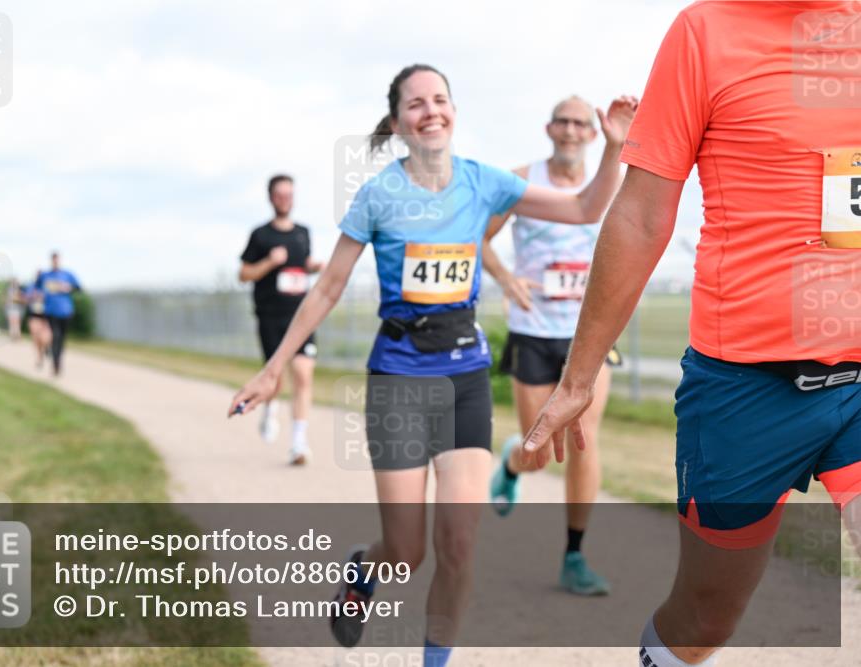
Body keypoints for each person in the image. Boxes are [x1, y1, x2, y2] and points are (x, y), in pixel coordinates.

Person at [229, 63, 636, 666]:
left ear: (453, 111)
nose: (431, 111)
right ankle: (364, 571)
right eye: (416, 104)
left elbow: (583, 207)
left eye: (440, 99)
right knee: (405, 554)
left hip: (463, 377)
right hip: (396, 380)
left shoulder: (483, 182)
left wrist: (614, 149)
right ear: (397, 122)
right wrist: (273, 369)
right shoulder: (377, 195)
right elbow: (327, 287)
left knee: (459, 544)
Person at [519, 4, 861, 666]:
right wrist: (580, 376)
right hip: (745, 389)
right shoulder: (706, 32)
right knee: (705, 618)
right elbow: (643, 216)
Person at [485, 95, 620, 596]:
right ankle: (510, 462)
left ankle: (574, 556)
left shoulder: (607, 184)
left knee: (583, 433)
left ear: (593, 133)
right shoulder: (522, 180)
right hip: (532, 330)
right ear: (549, 128)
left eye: (579, 123)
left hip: (588, 333)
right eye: (561, 121)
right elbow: (480, 238)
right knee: (537, 451)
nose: (569, 130)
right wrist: (504, 277)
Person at [239, 175, 325, 465]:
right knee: (275, 376)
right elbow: (244, 274)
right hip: (270, 316)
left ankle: (299, 444)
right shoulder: (261, 235)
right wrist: (269, 262)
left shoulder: (303, 233)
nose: (285, 199)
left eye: (290, 194)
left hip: (300, 316)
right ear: (271, 197)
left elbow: (300, 271)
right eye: (280, 194)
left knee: (303, 374)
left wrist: (312, 267)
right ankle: (269, 406)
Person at [35, 253, 81, 377]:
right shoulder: (46, 275)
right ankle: (55, 364)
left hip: (65, 311)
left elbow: (79, 287)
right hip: (51, 311)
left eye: (57, 260)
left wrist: (68, 288)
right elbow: (36, 287)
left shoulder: (68, 274)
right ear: (51, 261)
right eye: (53, 260)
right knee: (55, 335)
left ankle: (58, 359)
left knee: (61, 338)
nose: (55, 262)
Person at [24, 272, 52, 370]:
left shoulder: (47, 287)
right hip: (34, 316)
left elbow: (52, 298)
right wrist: (33, 296)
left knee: (46, 338)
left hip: (46, 316)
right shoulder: (31, 287)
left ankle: (47, 347)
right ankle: (40, 359)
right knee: (36, 339)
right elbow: (26, 298)